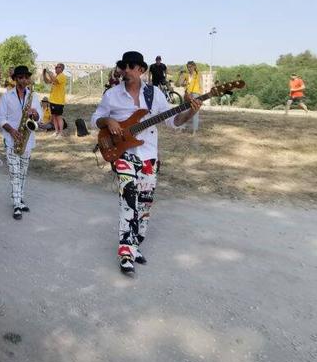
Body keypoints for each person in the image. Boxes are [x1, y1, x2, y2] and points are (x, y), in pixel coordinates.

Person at [91, 51, 202, 275]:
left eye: (132, 66)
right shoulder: (112, 95)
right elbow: (95, 119)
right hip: (123, 155)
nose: (126, 70)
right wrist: (108, 120)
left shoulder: (154, 95)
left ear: (141, 70)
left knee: (144, 206)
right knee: (128, 200)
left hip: (149, 155)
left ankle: (134, 246)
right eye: (124, 66)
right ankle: (125, 253)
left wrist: (191, 111)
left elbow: (174, 121)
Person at [0, 65, 41, 220]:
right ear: (15, 79)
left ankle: (19, 199)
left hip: (27, 141)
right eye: (20, 77)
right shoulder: (7, 97)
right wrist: (12, 131)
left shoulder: (33, 97)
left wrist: (35, 114)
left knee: (22, 173)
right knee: (15, 173)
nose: (24, 80)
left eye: (26, 77)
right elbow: (0, 118)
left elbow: (38, 118)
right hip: (11, 140)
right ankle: (16, 204)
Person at [178, 61, 202, 134]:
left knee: (195, 112)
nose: (189, 68)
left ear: (194, 66)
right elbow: (179, 84)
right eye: (188, 67)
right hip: (187, 94)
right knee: (184, 111)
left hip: (196, 94)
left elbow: (201, 85)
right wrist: (181, 78)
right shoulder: (186, 75)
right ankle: (182, 128)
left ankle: (194, 130)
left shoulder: (198, 74)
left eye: (190, 67)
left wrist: (201, 97)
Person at [43, 63, 67, 137]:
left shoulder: (62, 76)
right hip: (52, 100)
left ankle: (61, 132)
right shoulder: (56, 76)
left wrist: (49, 73)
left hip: (59, 101)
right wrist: (44, 74)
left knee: (58, 117)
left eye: (57, 67)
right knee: (53, 116)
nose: (56, 68)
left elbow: (55, 80)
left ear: (62, 69)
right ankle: (56, 131)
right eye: (55, 67)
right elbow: (47, 81)